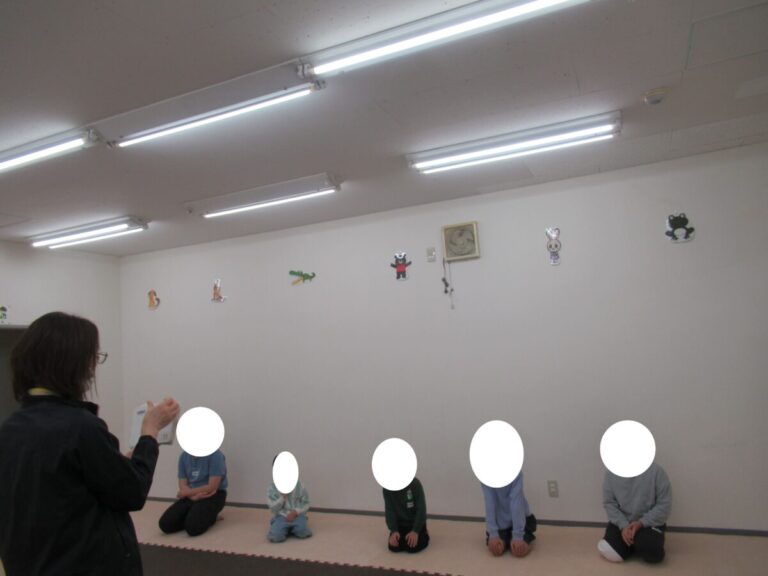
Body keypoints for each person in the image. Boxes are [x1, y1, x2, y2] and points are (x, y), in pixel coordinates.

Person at [0, 311, 179, 576]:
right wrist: (150, 431)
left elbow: (62, 484)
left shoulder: (10, 427)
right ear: (72, 363)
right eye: (93, 358)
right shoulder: (80, 427)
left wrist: (118, 463)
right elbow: (132, 492)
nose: (92, 369)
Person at [598, 462, 672, 564]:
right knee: (608, 550)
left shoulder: (657, 471)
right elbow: (609, 503)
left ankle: (636, 543)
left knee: (653, 554)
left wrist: (641, 523)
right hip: (622, 523)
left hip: (649, 524)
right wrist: (624, 526)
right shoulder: (611, 473)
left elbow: (664, 505)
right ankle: (634, 543)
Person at [158, 449, 228, 536]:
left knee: (193, 528)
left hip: (213, 494)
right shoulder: (184, 456)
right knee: (165, 524)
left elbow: (212, 487)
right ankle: (197, 515)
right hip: (191, 495)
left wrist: (187, 493)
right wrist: (192, 497)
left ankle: (210, 516)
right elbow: (183, 484)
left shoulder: (216, 455)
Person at [481, 472, 537, 558]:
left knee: (519, 551)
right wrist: (493, 534)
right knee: (496, 550)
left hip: (522, 522)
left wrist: (518, 536)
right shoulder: (484, 474)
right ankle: (507, 539)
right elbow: (489, 502)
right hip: (501, 525)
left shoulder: (516, 473)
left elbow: (516, 501)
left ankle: (517, 539)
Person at [384, 477, 429, 553]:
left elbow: (421, 509)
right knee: (394, 547)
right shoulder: (386, 488)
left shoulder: (415, 483)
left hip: (414, 523)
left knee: (412, 548)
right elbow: (389, 510)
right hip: (400, 524)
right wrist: (394, 530)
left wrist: (415, 531)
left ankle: (425, 533)